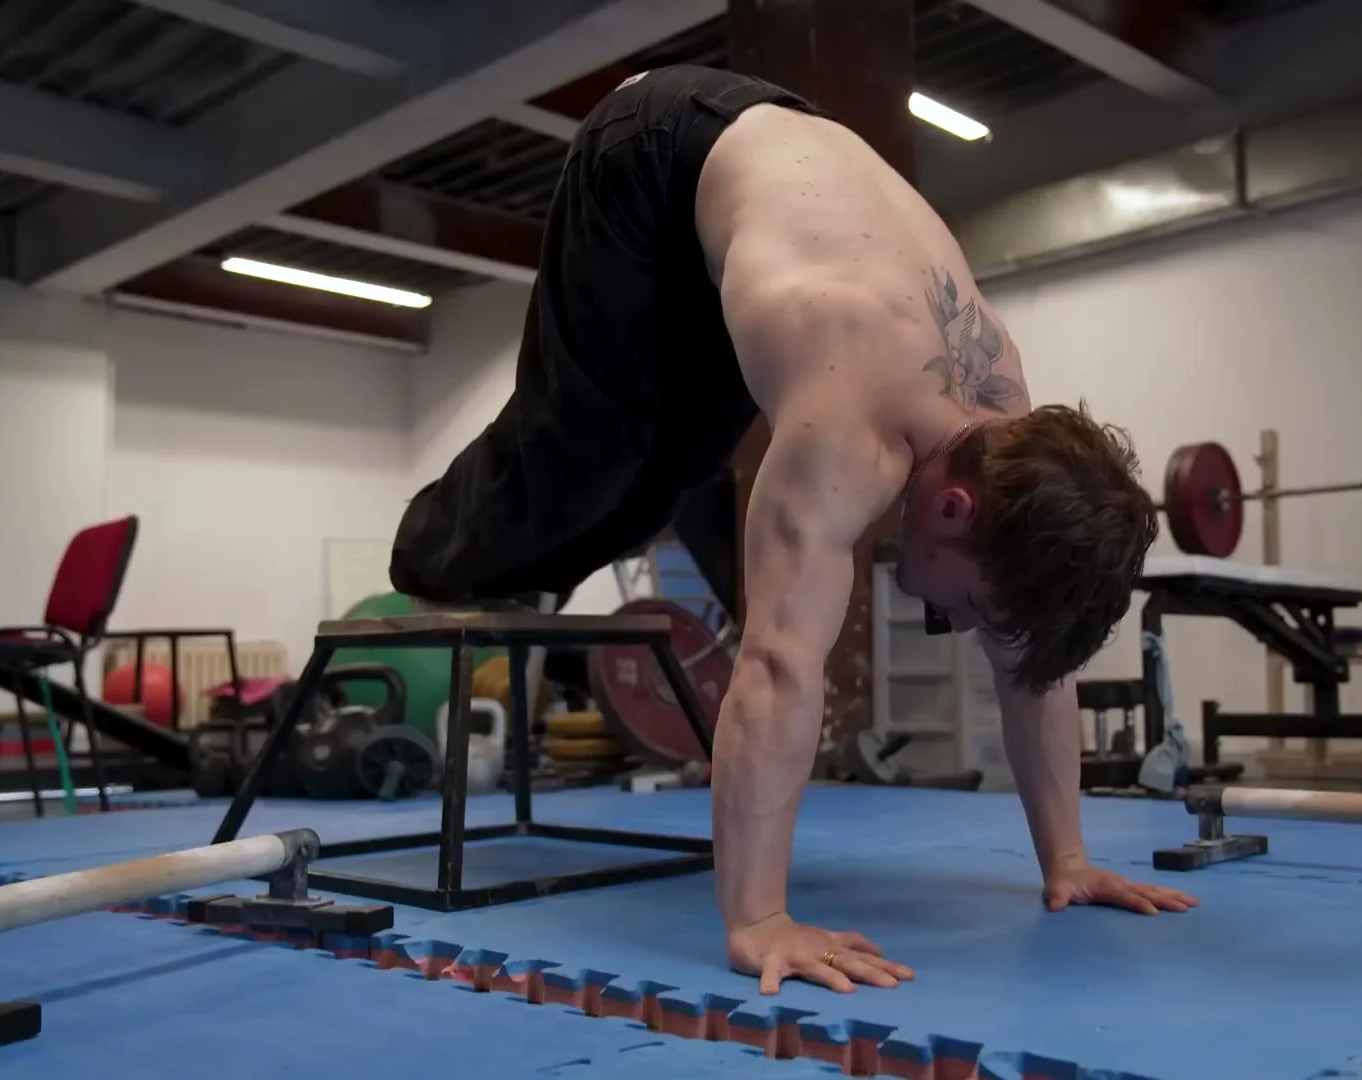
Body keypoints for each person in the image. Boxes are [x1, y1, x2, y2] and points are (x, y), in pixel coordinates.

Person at [389, 65, 1197, 997]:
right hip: (646, 155)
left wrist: (1069, 860)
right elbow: (777, 665)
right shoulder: (847, 435)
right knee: (597, 454)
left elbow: (1032, 659)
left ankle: (554, 546)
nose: (969, 626)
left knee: (678, 470)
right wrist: (760, 918)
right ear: (952, 509)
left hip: (768, 175)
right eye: (974, 603)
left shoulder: (1006, 433)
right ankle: (426, 552)